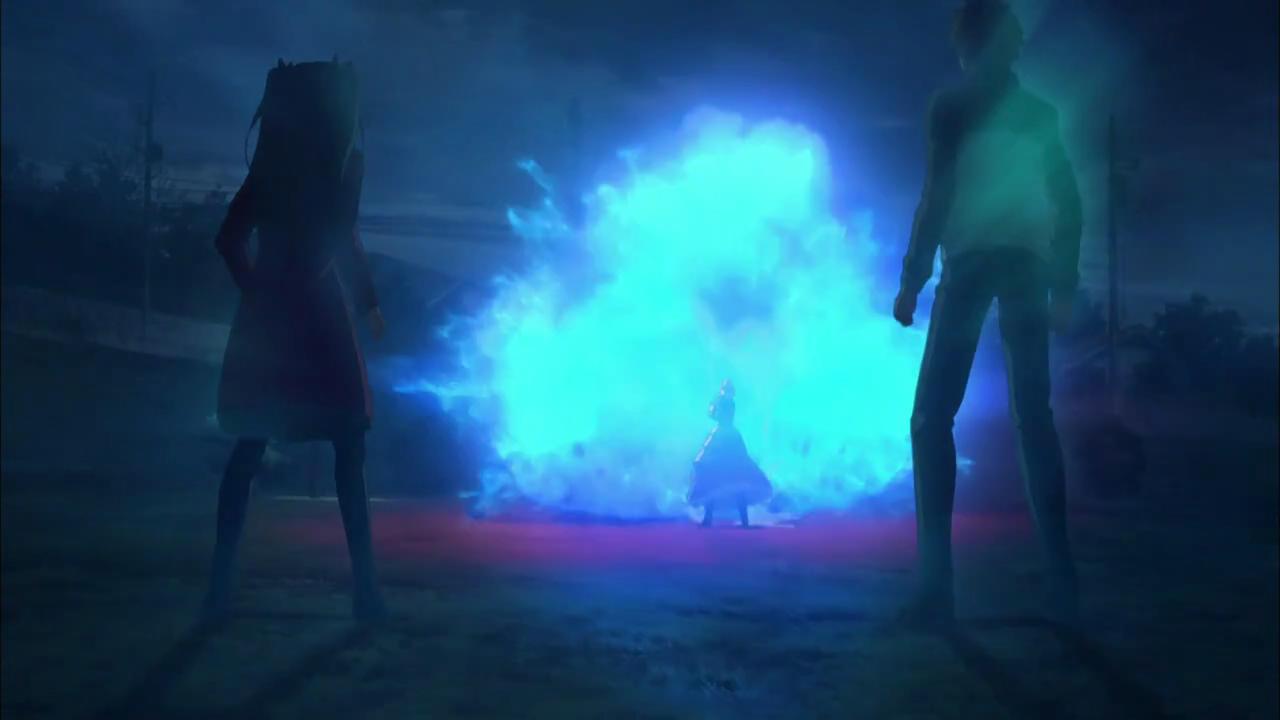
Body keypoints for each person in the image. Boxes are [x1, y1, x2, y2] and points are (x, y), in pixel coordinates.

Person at [893, 0, 1083, 627]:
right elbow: (1068, 204)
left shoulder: (952, 108)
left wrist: (913, 280)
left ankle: (936, 587)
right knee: (1034, 418)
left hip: (971, 265)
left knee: (931, 419)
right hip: (1025, 267)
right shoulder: (1040, 114)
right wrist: (1064, 283)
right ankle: (1061, 582)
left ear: (969, 46)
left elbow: (937, 196)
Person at [202, 59, 387, 624]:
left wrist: (260, 290)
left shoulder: (278, 168)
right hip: (316, 317)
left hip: (280, 317)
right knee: (341, 447)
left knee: (258, 444)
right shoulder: (336, 167)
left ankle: (220, 590)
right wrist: (364, 303)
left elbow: (231, 239)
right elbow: (339, 239)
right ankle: (364, 592)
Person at [688, 380, 773, 527]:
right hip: (729, 437)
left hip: (724, 436)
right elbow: (714, 415)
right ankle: (735, 519)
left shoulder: (724, 403)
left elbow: (713, 415)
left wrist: (713, 404)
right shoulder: (728, 403)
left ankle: (713, 518)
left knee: (723, 481)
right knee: (731, 481)